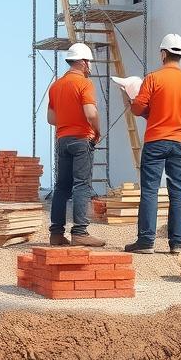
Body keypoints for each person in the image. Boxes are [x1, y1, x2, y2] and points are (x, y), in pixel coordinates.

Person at [124, 34, 181, 254]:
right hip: (178, 143)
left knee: (150, 189)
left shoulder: (153, 79)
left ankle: (146, 242)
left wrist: (132, 100)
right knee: (178, 191)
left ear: (163, 54)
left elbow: (138, 109)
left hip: (156, 141)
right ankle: (176, 243)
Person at [47, 42, 105, 247]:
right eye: (88, 62)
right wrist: (97, 131)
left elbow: (51, 119)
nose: (89, 66)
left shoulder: (56, 86)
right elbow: (90, 113)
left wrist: (68, 118)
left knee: (61, 186)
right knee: (82, 184)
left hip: (62, 140)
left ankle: (56, 233)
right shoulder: (84, 84)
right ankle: (80, 232)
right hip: (82, 138)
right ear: (82, 62)